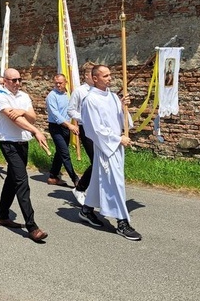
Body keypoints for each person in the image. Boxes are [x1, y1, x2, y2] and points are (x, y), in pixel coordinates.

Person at [79, 65, 142, 241]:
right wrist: (117, 139)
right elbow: (95, 129)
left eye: (110, 75)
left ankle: (86, 209)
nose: (109, 78)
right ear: (95, 78)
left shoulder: (114, 97)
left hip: (116, 145)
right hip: (106, 147)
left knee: (100, 179)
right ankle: (122, 222)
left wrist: (123, 108)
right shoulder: (90, 100)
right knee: (115, 183)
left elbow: (121, 121)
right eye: (105, 76)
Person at [0, 68, 51, 243]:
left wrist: (23, 112)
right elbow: (14, 119)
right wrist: (36, 132)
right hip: (9, 143)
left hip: (22, 143)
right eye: (13, 80)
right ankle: (32, 227)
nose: (17, 83)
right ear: (5, 80)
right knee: (21, 182)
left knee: (12, 179)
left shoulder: (24, 97)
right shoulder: (0, 96)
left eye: (19, 80)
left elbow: (31, 117)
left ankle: (2, 215)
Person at [67, 63, 95, 206]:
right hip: (87, 129)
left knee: (103, 161)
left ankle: (95, 191)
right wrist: (85, 118)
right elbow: (71, 111)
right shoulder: (79, 91)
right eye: (92, 74)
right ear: (86, 76)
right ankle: (80, 188)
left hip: (100, 129)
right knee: (96, 161)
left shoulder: (102, 90)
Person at [46, 74, 81, 187]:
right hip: (56, 127)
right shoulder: (52, 96)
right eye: (56, 83)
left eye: (60, 83)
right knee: (65, 154)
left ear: (65, 82)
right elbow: (56, 115)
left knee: (60, 153)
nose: (58, 85)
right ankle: (75, 179)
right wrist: (69, 126)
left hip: (66, 127)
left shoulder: (68, 94)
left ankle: (53, 176)